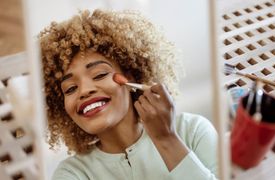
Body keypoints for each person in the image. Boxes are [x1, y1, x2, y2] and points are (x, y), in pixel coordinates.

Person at [39, 9, 218, 180]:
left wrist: (167, 139)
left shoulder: (193, 131)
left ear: (130, 76)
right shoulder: (72, 173)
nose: (84, 91)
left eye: (100, 74)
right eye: (70, 89)